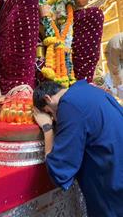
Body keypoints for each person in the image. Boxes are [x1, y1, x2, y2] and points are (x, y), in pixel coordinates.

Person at [33, 80, 123, 217]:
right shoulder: (91, 90)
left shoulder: (69, 105)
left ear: (48, 98)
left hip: (111, 185)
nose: (54, 118)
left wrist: (47, 128)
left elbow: (59, 167)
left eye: (49, 113)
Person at [105, 33, 123, 99]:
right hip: (113, 52)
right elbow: (115, 68)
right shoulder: (114, 46)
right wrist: (119, 84)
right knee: (117, 76)